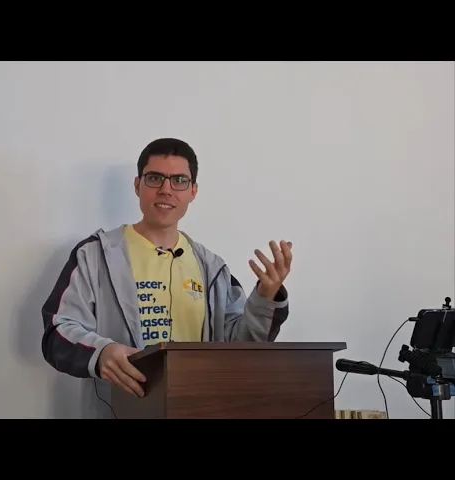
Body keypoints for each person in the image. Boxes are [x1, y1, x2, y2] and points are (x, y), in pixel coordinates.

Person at [41, 137, 292, 418]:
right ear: (137, 185)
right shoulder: (94, 255)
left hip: (198, 409)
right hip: (121, 410)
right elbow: (58, 330)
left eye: (179, 181)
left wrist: (266, 298)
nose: (166, 190)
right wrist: (102, 353)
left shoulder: (212, 268)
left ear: (193, 191)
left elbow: (240, 346)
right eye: (155, 178)